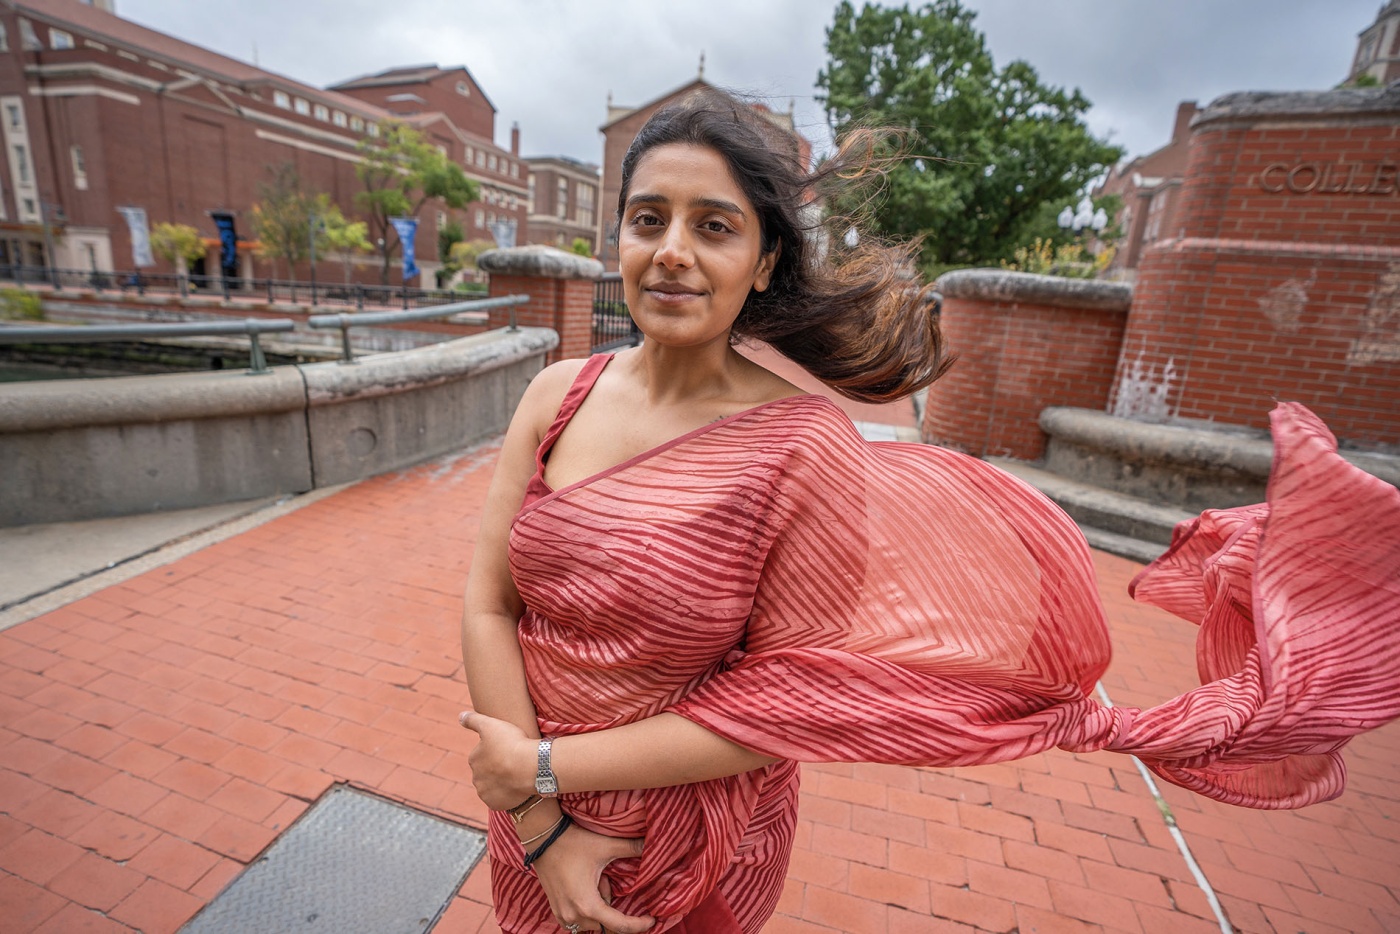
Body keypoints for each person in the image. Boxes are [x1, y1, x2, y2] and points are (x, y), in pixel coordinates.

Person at [458, 92, 1400, 934]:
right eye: (648, 219)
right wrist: (542, 831)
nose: (671, 251)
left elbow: (781, 705)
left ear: (764, 257)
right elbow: (491, 604)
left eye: (714, 226)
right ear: (615, 236)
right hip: (534, 824)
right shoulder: (556, 395)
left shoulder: (802, 446)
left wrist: (544, 771)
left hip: (677, 841)